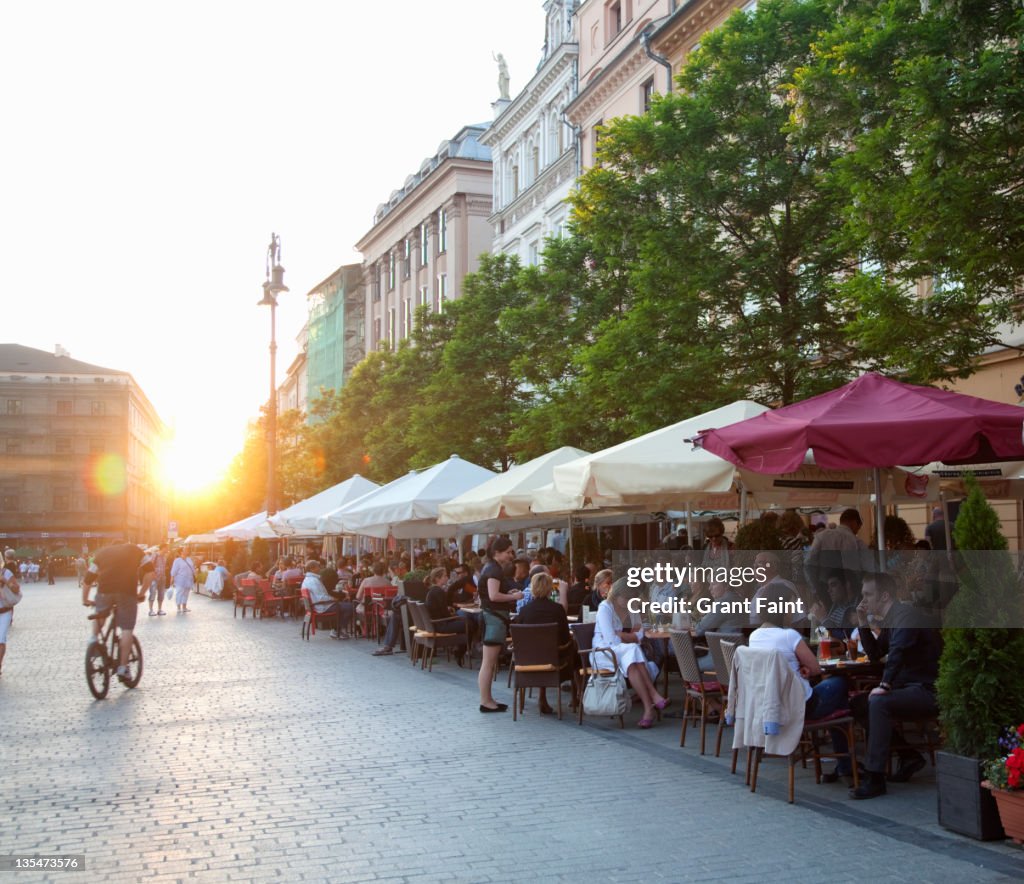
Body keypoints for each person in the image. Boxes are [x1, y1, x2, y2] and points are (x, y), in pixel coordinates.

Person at [848, 572, 942, 799]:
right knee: (859, 704)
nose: (864, 600)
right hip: (908, 688)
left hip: (927, 689)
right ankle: (909, 755)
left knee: (878, 702)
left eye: (868, 594)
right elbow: (874, 654)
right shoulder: (891, 621)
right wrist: (863, 623)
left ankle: (875, 777)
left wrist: (885, 685)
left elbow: (898, 651)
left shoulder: (905, 616)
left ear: (885, 596)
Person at [747, 606, 854, 781]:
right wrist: (805, 669)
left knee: (836, 694)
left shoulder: (754, 637)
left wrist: (797, 667)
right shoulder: (789, 635)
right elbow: (816, 668)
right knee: (840, 683)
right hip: (803, 707)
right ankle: (847, 765)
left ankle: (845, 765)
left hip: (771, 708)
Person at [594, 578, 669, 728]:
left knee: (632, 658)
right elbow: (611, 641)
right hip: (604, 652)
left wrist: (622, 635)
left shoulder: (631, 607)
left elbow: (640, 633)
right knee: (633, 650)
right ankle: (653, 695)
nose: (629, 601)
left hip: (625, 653)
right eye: (626, 597)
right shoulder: (605, 608)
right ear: (616, 594)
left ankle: (648, 709)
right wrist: (630, 637)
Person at [82, 543, 155, 683]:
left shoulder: (102, 552)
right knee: (127, 629)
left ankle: (93, 640)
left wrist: (85, 599)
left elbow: (88, 578)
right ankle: (122, 668)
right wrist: (141, 593)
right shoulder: (135, 550)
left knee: (100, 614)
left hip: (104, 591)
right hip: (127, 592)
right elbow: (150, 573)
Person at [515, 572, 574, 714]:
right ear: (550, 589)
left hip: (527, 659)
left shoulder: (524, 611)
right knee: (574, 651)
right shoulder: (557, 609)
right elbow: (566, 638)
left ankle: (542, 696)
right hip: (554, 658)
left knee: (541, 652)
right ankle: (576, 696)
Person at [478, 537, 522, 713]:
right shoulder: (494, 570)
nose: (511, 555)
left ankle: (487, 699)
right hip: (494, 619)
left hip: (492, 617)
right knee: (489, 662)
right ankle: (486, 701)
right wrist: (514, 597)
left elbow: (493, 593)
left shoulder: (490, 567)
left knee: (488, 662)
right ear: (497, 553)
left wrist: (508, 592)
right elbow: (493, 595)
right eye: (508, 551)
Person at [805, 507, 869, 599]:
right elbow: (860, 567)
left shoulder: (821, 537)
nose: (857, 531)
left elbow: (808, 563)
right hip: (848, 591)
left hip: (824, 588)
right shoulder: (855, 541)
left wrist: (815, 588)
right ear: (854, 523)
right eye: (858, 528)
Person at [694, 581, 747, 672]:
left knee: (689, 666)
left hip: (723, 658)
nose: (709, 588)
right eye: (709, 584)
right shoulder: (739, 599)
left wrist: (704, 617)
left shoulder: (723, 603)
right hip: (740, 656)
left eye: (713, 584)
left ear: (726, 586)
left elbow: (699, 629)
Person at [423, 566, 469, 666]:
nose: (447, 578)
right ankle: (460, 651)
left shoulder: (432, 591)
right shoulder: (439, 592)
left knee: (463, 622)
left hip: (435, 624)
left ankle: (459, 649)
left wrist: (451, 613)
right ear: (437, 579)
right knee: (469, 624)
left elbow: (441, 610)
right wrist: (454, 615)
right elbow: (445, 615)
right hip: (441, 625)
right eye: (445, 576)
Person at [750, 552, 798, 626]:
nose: (755, 566)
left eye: (760, 563)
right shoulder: (759, 589)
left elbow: (798, 619)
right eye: (754, 564)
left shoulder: (784, 586)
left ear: (773, 567)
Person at [0, 553, 23, 676]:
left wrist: (5, 581)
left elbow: (16, 589)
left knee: (1, 639)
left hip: (4, 612)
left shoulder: (6, 573)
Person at [170, 548, 196, 613]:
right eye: (185, 550)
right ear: (181, 552)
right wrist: (172, 578)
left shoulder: (189, 559)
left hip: (189, 579)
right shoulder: (177, 560)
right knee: (179, 593)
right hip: (180, 579)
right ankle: (178, 607)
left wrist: (195, 574)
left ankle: (184, 607)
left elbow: (192, 568)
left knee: (186, 593)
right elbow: (174, 570)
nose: (187, 550)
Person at [148, 544, 169, 616]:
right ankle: (151, 610)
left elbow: (163, 566)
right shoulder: (155, 555)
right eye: (166, 548)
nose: (167, 550)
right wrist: (153, 574)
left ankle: (159, 610)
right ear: (163, 548)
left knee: (161, 594)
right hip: (154, 578)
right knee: (152, 593)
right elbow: (150, 565)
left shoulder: (164, 557)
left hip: (162, 577)